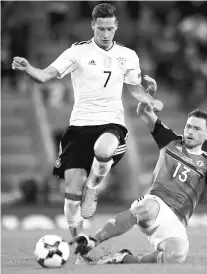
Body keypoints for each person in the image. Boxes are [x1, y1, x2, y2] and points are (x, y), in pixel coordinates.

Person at [11, 3, 162, 260]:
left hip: (111, 124)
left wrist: (149, 99)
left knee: (103, 150)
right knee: (71, 195)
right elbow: (46, 75)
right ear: (93, 26)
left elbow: (135, 89)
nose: (106, 34)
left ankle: (93, 186)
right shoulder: (77, 52)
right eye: (101, 28)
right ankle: (80, 248)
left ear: (116, 27)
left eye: (110, 28)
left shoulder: (128, 55)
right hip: (79, 127)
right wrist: (28, 69)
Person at [75, 76, 207, 265]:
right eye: (188, 126)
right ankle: (92, 241)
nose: (190, 131)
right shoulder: (171, 141)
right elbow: (143, 111)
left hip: (177, 219)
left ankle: (122, 258)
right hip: (155, 202)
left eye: (197, 129)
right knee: (148, 207)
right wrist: (149, 95)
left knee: (176, 256)